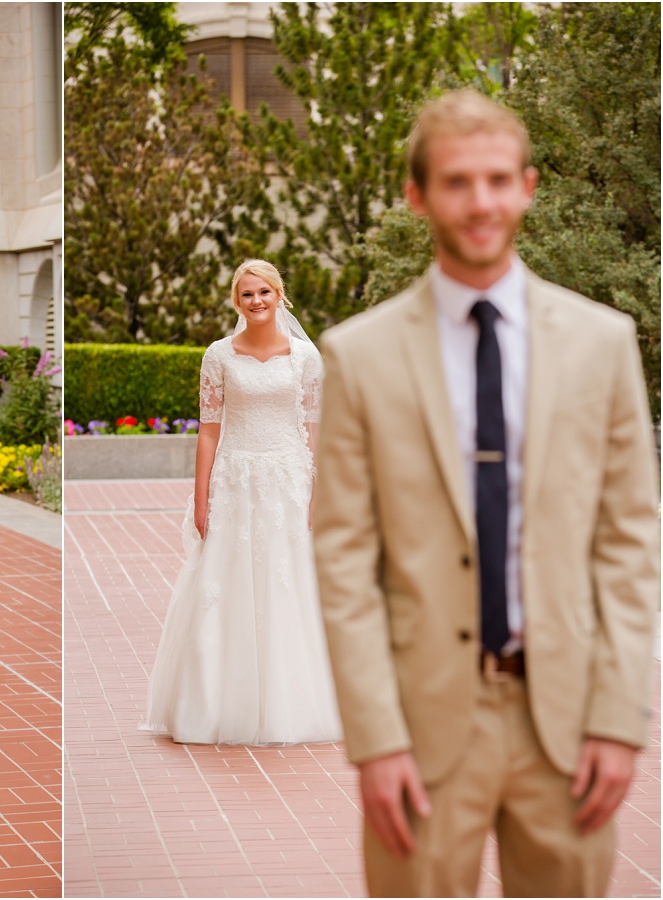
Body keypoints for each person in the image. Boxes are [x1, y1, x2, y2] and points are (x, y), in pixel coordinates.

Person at [313, 89, 658, 897]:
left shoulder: (602, 344)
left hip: (566, 725)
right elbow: (344, 562)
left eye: (499, 180)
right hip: (423, 728)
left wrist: (617, 718)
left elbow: (630, 542)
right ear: (418, 195)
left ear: (529, 187)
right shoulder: (357, 358)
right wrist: (376, 739)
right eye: (459, 182)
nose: (481, 203)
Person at [142, 259, 342, 745]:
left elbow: (315, 428)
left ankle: (289, 706)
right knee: (224, 584)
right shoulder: (218, 355)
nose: (256, 301)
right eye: (247, 294)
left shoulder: (305, 357)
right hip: (235, 479)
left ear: (280, 296)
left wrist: (319, 490)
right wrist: (200, 495)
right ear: (237, 300)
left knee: (287, 584)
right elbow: (208, 431)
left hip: (290, 482)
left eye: (265, 292)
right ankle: (213, 705)